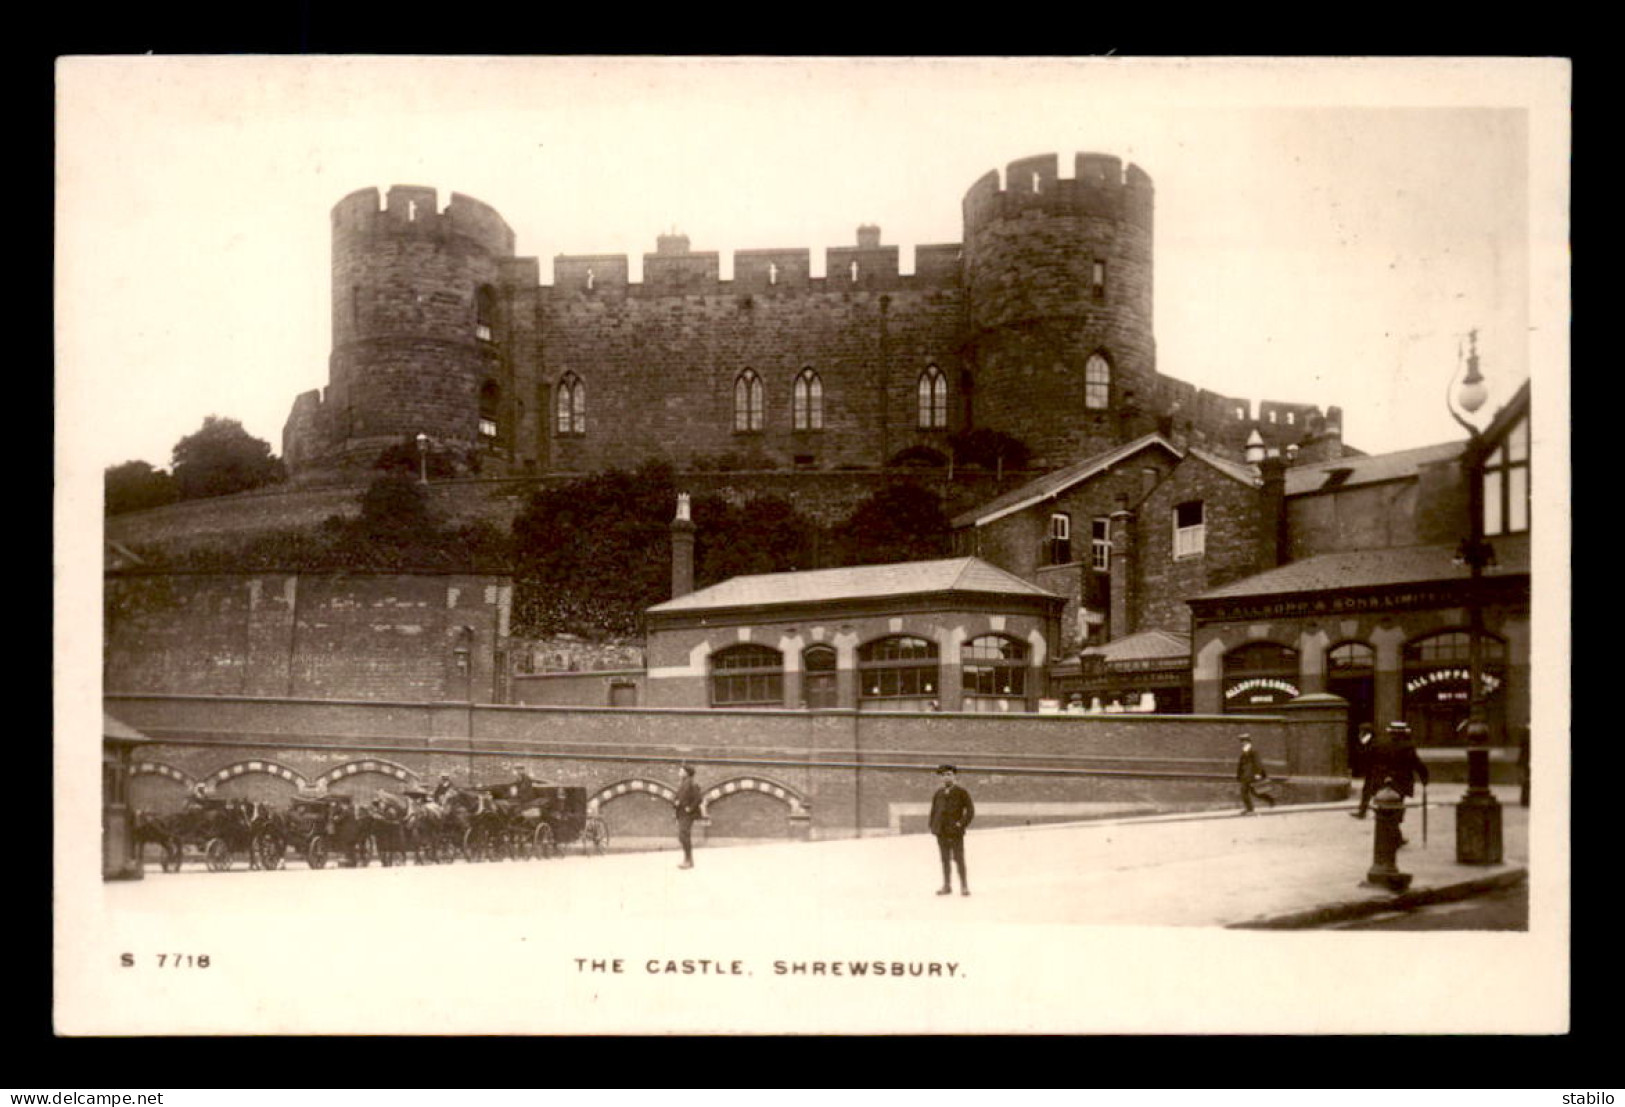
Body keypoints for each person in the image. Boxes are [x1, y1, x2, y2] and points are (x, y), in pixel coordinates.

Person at [1370, 720, 1429, 846]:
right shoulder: (1408, 747)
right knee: (1397, 807)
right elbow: (1417, 764)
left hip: (1383, 781)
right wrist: (1424, 778)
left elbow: (1375, 763)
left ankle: (1394, 835)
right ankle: (1395, 836)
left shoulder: (1381, 744)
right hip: (1400, 782)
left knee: (1385, 807)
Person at [929, 764, 975, 896]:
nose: (946, 777)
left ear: (954, 776)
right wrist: (933, 826)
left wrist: (961, 824)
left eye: (949, 774)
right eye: (943, 775)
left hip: (955, 832)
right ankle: (946, 886)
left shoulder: (961, 792)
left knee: (959, 858)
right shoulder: (938, 793)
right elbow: (934, 811)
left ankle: (964, 886)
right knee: (944, 859)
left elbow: (970, 811)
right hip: (941, 832)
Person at [1236, 733, 1275, 815]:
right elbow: (1241, 765)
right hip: (1245, 776)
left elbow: (1258, 763)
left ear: (1248, 741)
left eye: (1244, 741)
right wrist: (1239, 775)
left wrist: (1258, 773)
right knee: (1244, 792)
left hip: (1252, 775)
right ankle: (1250, 809)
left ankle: (1270, 800)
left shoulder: (1253, 751)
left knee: (1256, 793)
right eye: (1241, 741)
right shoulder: (1244, 752)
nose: (1242, 743)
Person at [673, 764, 702, 869]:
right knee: (683, 836)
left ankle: (688, 860)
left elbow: (698, 798)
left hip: (687, 814)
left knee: (683, 836)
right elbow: (679, 797)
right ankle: (688, 860)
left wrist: (690, 808)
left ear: (686, 773)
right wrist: (676, 802)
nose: (679, 773)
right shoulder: (683, 784)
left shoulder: (691, 783)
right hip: (681, 814)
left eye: (681, 771)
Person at [1349, 723, 1377, 818]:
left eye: (1361, 731)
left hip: (1374, 771)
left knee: (1368, 791)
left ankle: (1363, 812)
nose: (1359, 733)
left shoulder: (1371, 742)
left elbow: (1365, 754)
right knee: (1369, 791)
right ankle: (1363, 811)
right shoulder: (1368, 741)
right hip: (1371, 771)